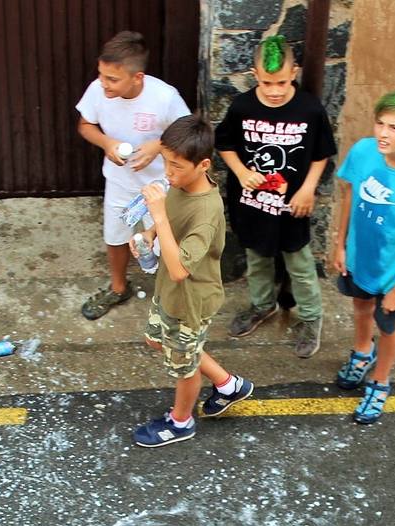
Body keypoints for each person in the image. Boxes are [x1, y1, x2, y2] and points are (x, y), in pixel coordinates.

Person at [133, 116, 254, 447]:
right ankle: (228, 385)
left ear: (203, 165)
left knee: (184, 369)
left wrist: (156, 215)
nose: (168, 173)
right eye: (165, 163)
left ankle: (181, 422)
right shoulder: (181, 183)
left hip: (190, 301)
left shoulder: (206, 213)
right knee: (159, 342)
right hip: (169, 293)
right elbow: (171, 215)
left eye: (175, 166)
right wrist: (149, 232)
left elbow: (179, 270)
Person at [215, 35, 337, 359]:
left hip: (293, 205)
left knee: (299, 263)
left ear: (294, 72)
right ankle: (262, 305)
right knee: (257, 258)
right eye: (267, 82)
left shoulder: (310, 108)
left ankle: (311, 318)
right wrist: (241, 172)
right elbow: (224, 144)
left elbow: (321, 153)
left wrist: (308, 188)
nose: (274, 90)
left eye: (282, 82)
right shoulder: (242, 107)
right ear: (255, 75)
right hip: (253, 205)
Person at [328, 90, 395, 424]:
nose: (382, 134)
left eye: (394, 128)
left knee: (389, 326)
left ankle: (380, 380)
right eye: (380, 123)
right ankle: (362, 352)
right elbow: (349, 193)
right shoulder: (364, 152)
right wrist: (340, 243)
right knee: (360, 307)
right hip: (360, 258)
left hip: (392, 273)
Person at [76, 31, 190, 321]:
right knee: (114, 237)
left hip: (160, 186)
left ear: (137, 77)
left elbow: (189, 134)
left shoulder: (165, 97)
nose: (104, 84)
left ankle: (170, 299)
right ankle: (118, 287)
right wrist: (107, 143)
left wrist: (158, 146)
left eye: (112, 79)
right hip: (119, 181)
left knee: (165, 243)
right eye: (101, 75)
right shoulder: (97, 90)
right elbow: (85, 124)